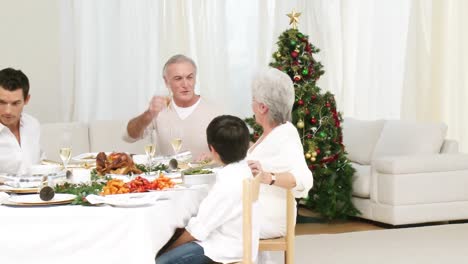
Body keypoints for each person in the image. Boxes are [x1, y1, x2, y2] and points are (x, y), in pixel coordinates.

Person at [156, 115, 258, 264]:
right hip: (239, 243)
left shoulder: (228, 183)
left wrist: (167, 250)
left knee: (157, 260)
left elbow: (197, 231)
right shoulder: (243, 170)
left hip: (222, 250)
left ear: (212, 149)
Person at [246, 68, 313, 239]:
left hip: (269, 219)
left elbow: (304, 179)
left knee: (206, 225)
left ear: (262, 107)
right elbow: (267, 156)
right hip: (255, 210)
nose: (251, 105)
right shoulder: (271, 132)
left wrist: (269, 177)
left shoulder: (285, 134)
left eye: (253, 100)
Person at [125, 54, 222, 160]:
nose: (185, 84)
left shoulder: (215, 111)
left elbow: (232, 151)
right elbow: (129, 136)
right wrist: (148, 114)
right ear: (166, 82)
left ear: (195, 79)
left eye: (189, 77)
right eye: (178, 78)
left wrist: (215, 157)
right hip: (167, 176)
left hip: (206, 175)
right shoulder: (158, 109)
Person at [0, 68, 42, 174]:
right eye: (2, 102)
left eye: (15, 103)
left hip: (35, 189)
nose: (8, 111)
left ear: (26, 100)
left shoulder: (33, 124)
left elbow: (40, 163)